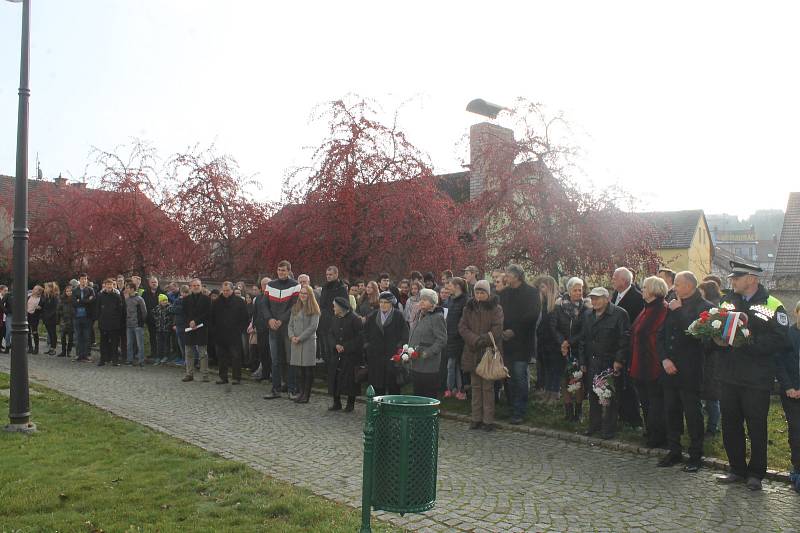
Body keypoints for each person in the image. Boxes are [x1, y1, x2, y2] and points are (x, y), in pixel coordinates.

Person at [715, 261, 790, 491]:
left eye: (737, 277)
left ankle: (756, 473)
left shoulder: (772, 304)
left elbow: (780, 340)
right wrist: (715, 338)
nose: (732, 280)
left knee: (756, 426)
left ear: (752, 279)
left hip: (756, 378)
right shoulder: (727, 301)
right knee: (730, 424)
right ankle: (736, 469)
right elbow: (716, 327)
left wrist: (747, 342)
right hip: (729, 375)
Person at [570, 286, 630, 440]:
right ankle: (594, 425)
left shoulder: (619, 314)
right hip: (592, 361)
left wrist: (619, 360)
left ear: (607, 298)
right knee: (593, 396)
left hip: (610, 362)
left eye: (597, 298)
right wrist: (583, 361)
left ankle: (609, 429)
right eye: (592, 298)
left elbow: (624, 339)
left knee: (609, 396)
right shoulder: (588, 315)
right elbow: (583, 340)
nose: (594, 301)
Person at [628, 276, 669, 449]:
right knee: (645, 401)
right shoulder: (646, 309)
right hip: (640, 363)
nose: (642, 290)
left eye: (645, 287)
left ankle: (659, 436)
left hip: (654, 364)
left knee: (656, 403)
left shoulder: (663, 309)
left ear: (653, 290)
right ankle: (650, 431)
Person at [459, 279, 504, 431]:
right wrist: (474, 339)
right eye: (477, 292)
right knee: (475, 386)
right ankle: (475, 418)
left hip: (488, 352)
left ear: (488, 293)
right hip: (472, 351)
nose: (479, 295)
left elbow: (497, 328)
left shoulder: (496, 309)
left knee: (487, 388)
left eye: (482, 292)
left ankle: (488, 420)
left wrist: (482, 340)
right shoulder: (468, 308)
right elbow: (462, 327)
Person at [499, 264, 540, 424]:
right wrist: (501, 330)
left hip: (523, 342)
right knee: (508, 377)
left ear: (516, 276)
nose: (505, 278)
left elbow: (532, 315)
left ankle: (520, 410)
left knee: (520, 376)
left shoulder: (531, 293)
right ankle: (511, 408)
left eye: (507, 275)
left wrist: (514, 330)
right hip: (506, 342)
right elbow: (499, 313)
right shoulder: (504, 293)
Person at [611, 266, 645, 429]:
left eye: (615, 278)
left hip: (630, 346)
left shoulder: (637, 298)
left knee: (629, 384)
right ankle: (621, 414)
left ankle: (634, 418)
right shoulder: (615, 295)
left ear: (624, 280)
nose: (612, 280)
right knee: (617, 381)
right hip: (615, 345)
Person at [262, 261, 301, 399]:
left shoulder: (296, 285)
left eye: (283, 270)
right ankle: (275, 389)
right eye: (279, 270)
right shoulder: (270, 285)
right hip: (273, 327)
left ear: (289, 271)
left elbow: (294, 306)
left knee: (290, 359)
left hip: (288, 328)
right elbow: (264, 305)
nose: (281, 272)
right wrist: (270, 319)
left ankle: (292, 389)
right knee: (275, 360)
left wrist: (281, 320)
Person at [556, 277, 590, 422]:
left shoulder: (585, 309)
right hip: (561, 350)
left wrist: (569, 342)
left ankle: (579, 411)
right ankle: (568, 412)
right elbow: (554, 327)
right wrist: (562, 342)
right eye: (575, 290)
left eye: (580, 290)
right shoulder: (559, 307)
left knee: (578, 381)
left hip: (578, 349)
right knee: (564, 381)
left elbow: (584, 330)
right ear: (569, 291)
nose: (578, 293)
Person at [365, 291, 409, 396]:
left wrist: (399, 349)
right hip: (376, 356)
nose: (383, 305)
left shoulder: (398, 316)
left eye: (386, 302)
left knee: (393, 385)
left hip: (392, 356)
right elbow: (365, 333)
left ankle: (393, 408)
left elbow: (405, 335)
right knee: (377, 385)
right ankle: (378, 407)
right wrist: (367, 346)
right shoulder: (373, 315)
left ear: (391, 304)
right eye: (381, 302)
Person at [776, 300, 800, 494]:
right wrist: (789, 386)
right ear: (796, 312)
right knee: (796, 431)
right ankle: (797, 469)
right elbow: (780, 363)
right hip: (792, 392)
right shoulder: (788, 335)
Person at [409, 288, 447, 399]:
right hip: (416, 361)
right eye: (421, 299)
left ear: (432, 303)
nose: (421, 302)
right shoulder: (420, 314)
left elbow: (442, 339)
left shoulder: (437, 317)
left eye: (425, 300)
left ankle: (429, 415)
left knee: (428, 395)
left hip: (429, 364)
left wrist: (428, 352)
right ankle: (418, 415)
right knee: (417, 394)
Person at [327, 297, 363, 412]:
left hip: (351, 355)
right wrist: (335, 345)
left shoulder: (354, 319)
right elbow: (330, 334)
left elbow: (360, 337)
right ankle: (336, 402)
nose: (333, 308)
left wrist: (346, 347)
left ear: (341, 308)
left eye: (335, 306)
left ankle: (350, 403)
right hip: (336, 353)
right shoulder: (334, 318)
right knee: (335, 378)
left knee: (350, 379)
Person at [211, 281, 250, 385]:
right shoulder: (217, 302)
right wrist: (214, 330)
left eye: (227, 290)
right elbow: (212, 317)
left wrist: (240, 330)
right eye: (223, 290)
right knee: (221, 357)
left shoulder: (239, 301)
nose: (225, 292)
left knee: (236, 356)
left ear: (232, 290)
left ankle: (236, 377)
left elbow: (245, 317)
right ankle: (223, 377)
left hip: (234, 334)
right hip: (220, 334)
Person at [288, 285, 321, 403]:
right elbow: (290, 324)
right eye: (301, 293)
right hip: (295, 342)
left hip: (308, 342)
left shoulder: (314, 309)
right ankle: (301, 392)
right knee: (299, 370)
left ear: (310, 295)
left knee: (308, 370)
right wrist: (292, 336)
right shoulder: (295, 307)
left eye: (305, 293)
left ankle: (306, 394)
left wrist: (300, 338)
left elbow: (313, 327)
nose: (302, 295)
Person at [698, 279, 723, 437]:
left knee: (712, 396)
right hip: (704, 358)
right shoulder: (706, 307)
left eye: (701, 292)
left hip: (712, 359)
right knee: (706, 394)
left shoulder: (714, 310)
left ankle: (713, 427)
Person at [535, 275, 561, 404]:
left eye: (543, 286)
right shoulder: (543, 303)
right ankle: (547, 393)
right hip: (543, 341)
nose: (541, 289)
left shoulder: (557, 303)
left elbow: (555, 326)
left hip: (554, 343)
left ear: (550, 287)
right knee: (546, 368)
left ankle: (554, 393)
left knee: (554, 369)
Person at [181, 278, 212, 382]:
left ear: (201, 286)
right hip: (189, 328)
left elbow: (208, 313)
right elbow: (184, 313)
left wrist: (196, 321)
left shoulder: (207, 299)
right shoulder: (185, 299)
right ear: (190, 287)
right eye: (194, 285)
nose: (196, 287)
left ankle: (205, 375)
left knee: (203, 353)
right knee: (189, 352)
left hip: (201, 328)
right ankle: (189, 374)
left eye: (198, 285)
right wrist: (190, 321)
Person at [444, 277, 468, 399]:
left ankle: (456, 389)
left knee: (455, 364)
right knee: (454, 364)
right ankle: (454, 388)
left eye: (450, 285)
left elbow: (465, 321)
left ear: (457, 286)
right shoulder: (450, 300)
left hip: (459, 338)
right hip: (450, 337)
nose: (448, 287)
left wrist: (458, 333)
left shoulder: (465, 301)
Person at [319, 266, 348, 366]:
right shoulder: (325, 287)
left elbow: (345, 306)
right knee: (325, 349)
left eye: (330, 275)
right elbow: (322, 304)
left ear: (336, 274)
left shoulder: (341, 288)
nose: (328, 277)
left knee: (333, 349)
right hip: (324, 322)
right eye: (327, 275)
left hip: (336, 323)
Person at [97, 278, 125, 367]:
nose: (109, 286)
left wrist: (117, 321)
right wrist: (99, 319)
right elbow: (97, 309)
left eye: (111, 284)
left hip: (114, 324)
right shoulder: (100, 295)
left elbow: (120, 310)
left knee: (114, 343)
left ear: (113, 285)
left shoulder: (117, 296)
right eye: (107, 284)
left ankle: (115, 360)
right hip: (103, 323)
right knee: (103, 343)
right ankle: (102, 359)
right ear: (105, 285)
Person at [251, 276, 272, 382]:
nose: (265, 286)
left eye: (267, 284)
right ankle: (265, 374)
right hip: (260, 329)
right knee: (262, 353)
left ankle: (271, 374)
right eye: (263, 284)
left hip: (270, 329)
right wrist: (254, 324)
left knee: (271, 353)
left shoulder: (273, 297)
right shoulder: (258, 298)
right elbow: (255, 312)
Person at [142, 276, 166, 362]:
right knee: (152, 337)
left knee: (161, 337)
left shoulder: (162, 292)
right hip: (150, 319)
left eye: (155, 282)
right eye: (152, 282)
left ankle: (162, 354)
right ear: (149, 284)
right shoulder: (145, 293)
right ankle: (153, 352)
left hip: (160, 320)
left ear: (158, 283)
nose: (154, 284)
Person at [73, 274, 96, 362]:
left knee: (87, 336)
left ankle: (86, 354)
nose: (84, 280)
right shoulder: (75, 290)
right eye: (82, 279)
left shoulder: (90, 290)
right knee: (78, 336)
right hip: (77, 316)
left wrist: (81, 300)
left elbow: (92, 300)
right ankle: (79, 354)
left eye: (85, 279)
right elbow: (74, 302)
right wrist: (86, 300)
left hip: (87, 316)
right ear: (79, 280)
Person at [124, 281, 147, 367]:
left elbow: (144, 312)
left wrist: (141, 322)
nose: (126, 290)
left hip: (137, 325)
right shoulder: (127, 299)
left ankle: (141, 360)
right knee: (129, 343)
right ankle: (129, 359)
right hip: (129, 325)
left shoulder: (139, 299)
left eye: (128, 288)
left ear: (132, 289)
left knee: (139, 344)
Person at [151, 293, 174, 366]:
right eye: (163, 300)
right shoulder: (157, 308)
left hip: (166, 329)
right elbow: (153, 313)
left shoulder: (170, 307)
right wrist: (156, 319)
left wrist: (170, 323)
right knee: (159, 343)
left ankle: (166, 356)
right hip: (159, 329)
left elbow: (172, 316)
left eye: (166, 300)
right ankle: (159, 357)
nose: (165, 302)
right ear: (160, 301)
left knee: (166, 343)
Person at [170, 285, 190, 366]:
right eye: (183, 292)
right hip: (179, 324)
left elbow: (187, 310)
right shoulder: (177, 300)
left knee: (188, 344)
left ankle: (190, 360)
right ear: (181, 292)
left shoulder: (190, 300)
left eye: (186, 292)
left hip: (187, 325)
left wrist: (180, 309)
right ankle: (184, 359)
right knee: (181, 344)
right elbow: (172, 310)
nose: (184, 294)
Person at [40, 282, 60, 355]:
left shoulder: (55, 297)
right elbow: (44, 306)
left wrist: (48, 316)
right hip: (46, 317)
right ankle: (51, 347)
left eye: (46, 288)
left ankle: (53, 348)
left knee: (52, 333)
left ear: (51, 288)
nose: (45, 289)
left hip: (52, 318)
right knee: (49, 333)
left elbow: (55, 308)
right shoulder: (46, 297)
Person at [58, 285, 75, 357]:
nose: (69, 292)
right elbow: (58, 309)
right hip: (64, 319)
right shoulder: (62, 299)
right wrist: (62, 314)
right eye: (67, 291)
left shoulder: (74, 299)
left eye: (70, 291)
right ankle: (63, 351)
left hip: (72, 319)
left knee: (70, 336)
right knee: (62, 336)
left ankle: (69, 351)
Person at [26, 285, 43, 355]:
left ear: (39, 291)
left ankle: (36, 348)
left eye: (35, 289)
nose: (33, 290)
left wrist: (39, 308)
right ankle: (30, 347)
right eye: (33, 288)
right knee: (28, 332)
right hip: (28, 315)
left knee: (35, 331)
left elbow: (41, 307)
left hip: (35, 316)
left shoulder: (41, 299)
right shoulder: (29, 297)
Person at [0, 285, 8, 353]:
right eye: (5, 290)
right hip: (0, 317)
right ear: (1, 290)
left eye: (7, 291)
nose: (6, 292)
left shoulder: (6, 297)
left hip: (4, 317)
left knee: (3, 331)